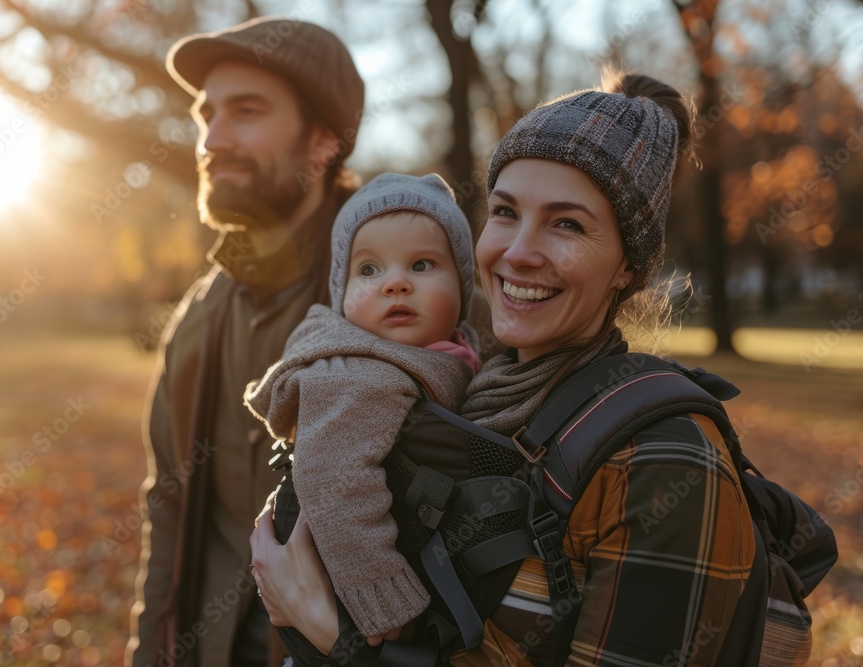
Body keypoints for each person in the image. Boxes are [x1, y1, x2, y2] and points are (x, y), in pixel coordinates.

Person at [249, 72, 757, 666]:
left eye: (567, 223)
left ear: (627, 267)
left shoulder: (666, 460)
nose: (518, 252)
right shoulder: (453, 390)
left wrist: (335, 635)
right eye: (506, 212)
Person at [125, 16, 365, 667]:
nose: (213, 139)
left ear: (323, 140)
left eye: (247, 112)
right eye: (207, 115)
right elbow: (168, 506)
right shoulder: (198, 316)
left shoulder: (397, 303)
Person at [244, 172, 480, 643]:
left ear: (463, 286)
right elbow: (333, 472)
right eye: (369, 270)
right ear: (343, 295)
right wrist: (381, 593)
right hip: (352, 601)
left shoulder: (450, 353)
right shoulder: (364, 374)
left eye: (422, 265)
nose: (395, 283)